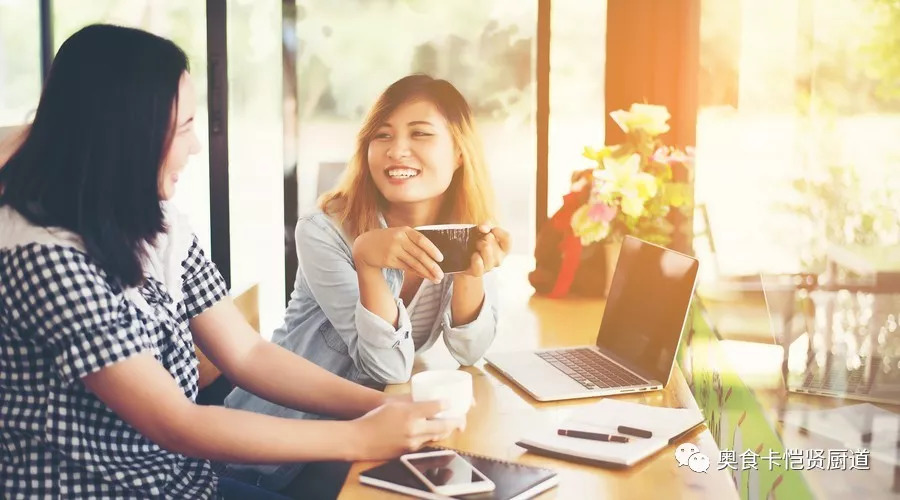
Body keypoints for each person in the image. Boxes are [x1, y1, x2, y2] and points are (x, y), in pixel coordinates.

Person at [0, 25, 456, 500]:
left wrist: (383, 407)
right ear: (126, 136)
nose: (196, 146)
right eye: (184, 129)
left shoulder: (154, 222)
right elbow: (177, 423)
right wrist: (360, 435)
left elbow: (247, 354)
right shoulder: (44, 258)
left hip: (183, 482)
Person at [224, 74, 510, 489]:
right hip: (273, 453)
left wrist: (471, 272)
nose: (396, 150)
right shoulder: (324, 231)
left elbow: (470, 350)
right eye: (382, 135)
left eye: (420, 134)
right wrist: (368, 262)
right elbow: (385, 366)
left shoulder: (462, 231)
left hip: (365, 437)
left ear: (460, 152)